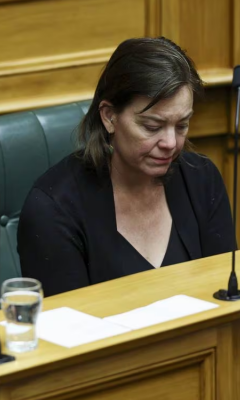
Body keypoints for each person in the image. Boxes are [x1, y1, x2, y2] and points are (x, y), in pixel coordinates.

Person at [18, 37, 235, 297]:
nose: (170, 143)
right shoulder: (53, 208)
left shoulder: (202, 179)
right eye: (152, 127)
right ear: (109, 117)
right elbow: (67, 328)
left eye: (182, 125)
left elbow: (227, 298)